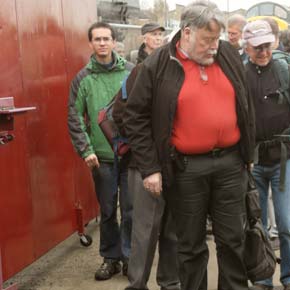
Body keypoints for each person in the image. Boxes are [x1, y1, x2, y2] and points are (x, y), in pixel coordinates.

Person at [123, 1, 255, 290]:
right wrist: (150, 168)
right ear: (186, 32)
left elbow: (246, 104)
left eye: (216, 40)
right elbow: (134, 116)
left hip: (231, 165)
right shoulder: (157, 64)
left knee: (233, 240)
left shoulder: (228, 56)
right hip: (186, 169)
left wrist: (249, 152)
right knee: (191, 245)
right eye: (207, 40)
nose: (214, 47)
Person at [243, 20, 290, 290]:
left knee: (288, 224)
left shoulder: (288, 72)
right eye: (256, 47)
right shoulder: (239, 76)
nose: (262, 52)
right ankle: (263, 278)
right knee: (256, 225)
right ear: (246, 47)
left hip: (284, 161)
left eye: (266, 45)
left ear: (273, 43)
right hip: (251, 162)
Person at [112, 24, 181, 290]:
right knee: (145, 232)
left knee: (172, 232)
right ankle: (137, 284)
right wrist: (150, 149)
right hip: (143, 166)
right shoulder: (144, 70)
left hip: (176, 165)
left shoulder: (184, 73)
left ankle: (170, 283)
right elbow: (122, 114)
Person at [67, 21, 134, 281]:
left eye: (107, 38)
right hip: (101, 158)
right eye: (97, 39)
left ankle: (129, 257)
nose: (103, 43)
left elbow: (143, 110)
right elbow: (74, 117)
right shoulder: (82, 79)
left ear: (115, 42)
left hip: (130, 157)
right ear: (91, 43)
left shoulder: (131, 72)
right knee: (107, 211)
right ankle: (111, 258)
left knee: (130, 210)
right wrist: (85, 150)